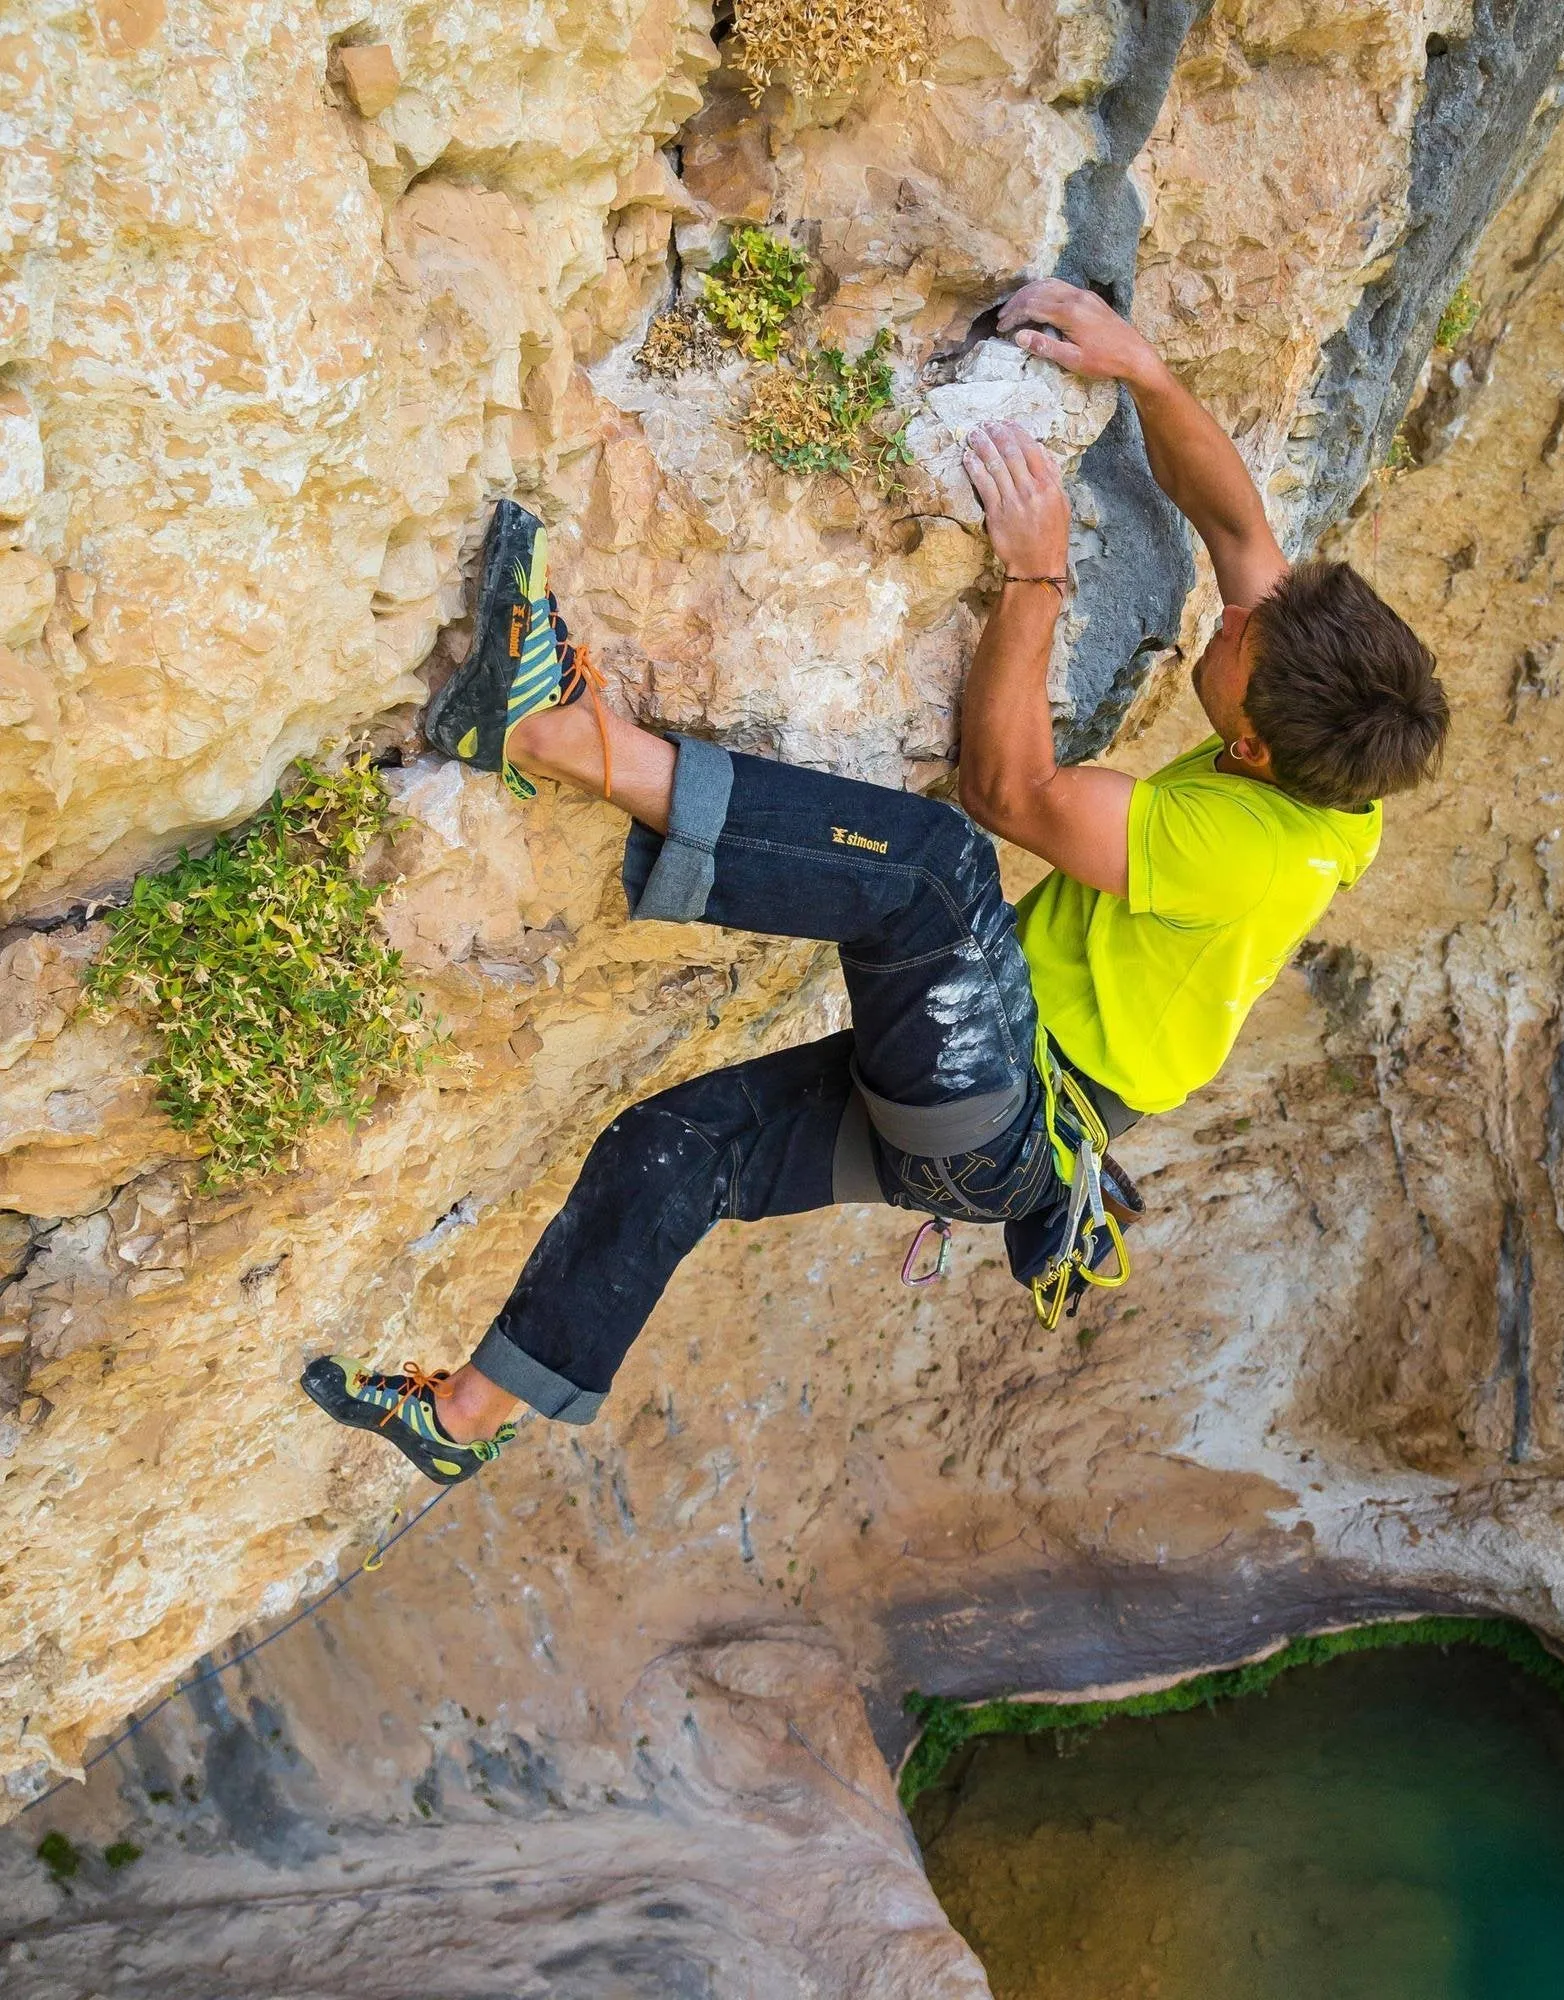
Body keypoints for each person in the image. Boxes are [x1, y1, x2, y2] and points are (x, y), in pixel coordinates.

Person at [300, 278, 1449, 1484]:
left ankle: (544, 730)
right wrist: (1145, 374)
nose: (1227, 621)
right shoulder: (1332, 768)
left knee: (936, 868)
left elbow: (1009, 793)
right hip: (996, 1109)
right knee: (677, 1144)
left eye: (1233, 645)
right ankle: (465, 1415)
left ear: (1256, 748)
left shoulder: (1242, 850)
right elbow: (1236, 536)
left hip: (1008, 1105)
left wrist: (1035, 579)